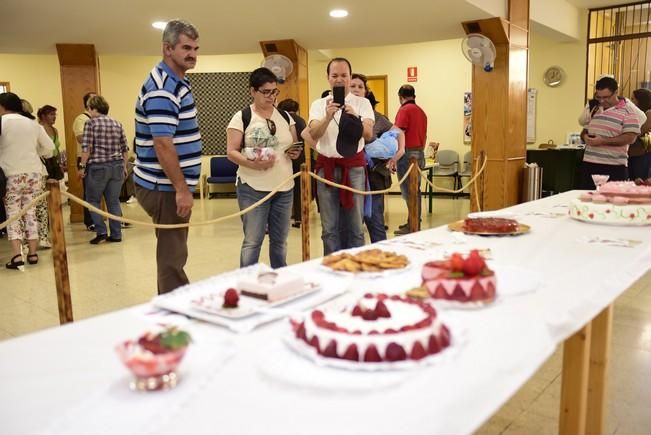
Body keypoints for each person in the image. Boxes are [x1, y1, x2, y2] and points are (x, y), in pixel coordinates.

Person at [133, 19, 201, 295]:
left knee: (174, 252)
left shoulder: (177, 82)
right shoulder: (163, 88)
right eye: (186, 47)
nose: (192, 54)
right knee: (172, 258)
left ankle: (175, 304)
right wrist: (181, 189)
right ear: (167, 48)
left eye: (195, 48)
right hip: (164, 187)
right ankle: (174, 316)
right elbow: (162, 144)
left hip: (168, 185)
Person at [226, 68, 301, 268]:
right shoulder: (241, 117)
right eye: (266, 92)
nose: (271, 96)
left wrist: (295, 153)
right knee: (253, 241)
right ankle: (248, 283)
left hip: (284, 187)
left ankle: (279, 280)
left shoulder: (286, 117)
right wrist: (252, 163)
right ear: (253, 91)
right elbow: (231, 151)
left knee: (280, 242)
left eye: (274, 91)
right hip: (252, 187)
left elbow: (293, 146)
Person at [302, 57, 374, 255]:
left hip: (354, 168)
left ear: (350, 77)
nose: (339, 80)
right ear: (328, 78)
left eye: (344, 75)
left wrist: (354, 118)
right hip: (326, 167)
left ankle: (358, 269)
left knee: (356, 228)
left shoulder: (363, 103)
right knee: (329, 228)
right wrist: (327, 116)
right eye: (334, 75)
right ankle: (331, 269)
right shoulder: (318, 104)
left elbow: (368, 135)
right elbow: (313, 134)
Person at [0, 92, 54, 269]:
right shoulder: (33, 124)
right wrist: (34, 153)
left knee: (13, 214)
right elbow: (50, 148)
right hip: (33, 174)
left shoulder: (2, 122)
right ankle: (33, 253)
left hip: (10, 173)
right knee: (30, 212)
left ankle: (17, 256)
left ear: (2, 106)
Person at [349, 73, 405, 242]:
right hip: (348, 176)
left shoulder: (377, 117)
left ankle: (382, 258)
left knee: (375, 222)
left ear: (366, 92)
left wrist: (398, 154)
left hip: (373, 177)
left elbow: (399, 132)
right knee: (352, 225)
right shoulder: (340, 115)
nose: (356, 89)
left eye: (360, 86)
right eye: (352, 86)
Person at [78, 95, 128, 244]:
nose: (88, 110)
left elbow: (86, 148)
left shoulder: (90, 123)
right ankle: (116, 234)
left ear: (93, 108)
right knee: (113, 201)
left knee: (92, 200)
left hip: (98, 167)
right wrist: (124, 166)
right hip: (117, 166)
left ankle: (101, 232)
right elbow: (125, 149)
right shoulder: (117, 123)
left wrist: (82, 166)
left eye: (88, 108)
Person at [579, 76, 641, 189]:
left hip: (614, 166)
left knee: (612, 201)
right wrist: (585, 137)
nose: (602, 101)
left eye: (606, 97)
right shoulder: (595, 109)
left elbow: (631, 138)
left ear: (616, 92)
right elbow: (584, 131)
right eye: (599, 97)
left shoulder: (628, 111)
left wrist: (603, 141)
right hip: (589, 164)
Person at [393, 84, 428, 235]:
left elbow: (398, 133)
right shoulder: (422, 112)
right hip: (420, 153)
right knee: (416, 190)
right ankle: (413, 221)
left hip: (407, 154)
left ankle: (413, 224)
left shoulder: (404, 110)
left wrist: (393, 157)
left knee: (409, 192)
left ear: (401, 97)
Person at [277, 98, 307, 228]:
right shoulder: (301, 121)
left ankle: (281, 218)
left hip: (285, 159)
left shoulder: (282, 120)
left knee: (281, 189)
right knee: (299, 189)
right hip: (300, 159)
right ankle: (299, 218)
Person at [73, 92, 97, 231]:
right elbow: (82, 139)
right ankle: (90, 221)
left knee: (107, 191)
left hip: (101, 158)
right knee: (89, 191)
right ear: (88, 103)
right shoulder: (81, 119)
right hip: (85, 158)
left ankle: (116, 219)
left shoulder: (101, 118)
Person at [629, 88, 651, 181]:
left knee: (641, 180)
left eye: (633, 99)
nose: (631, 101)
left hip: (642, 153)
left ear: (640, 100)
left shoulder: (649, 113)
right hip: (632, 152)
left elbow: (640, 131)